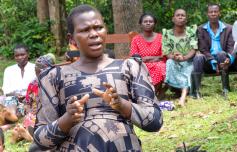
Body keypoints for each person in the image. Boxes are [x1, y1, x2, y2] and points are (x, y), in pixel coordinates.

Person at [33, 5, 163, 151]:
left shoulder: (130, 68)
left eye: (98, 27)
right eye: (85, 30)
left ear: (105, 30)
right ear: (72, 39)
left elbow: (155, 121)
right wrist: (67, 119)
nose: (94, 34)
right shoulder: (53, 77)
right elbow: (40, 140)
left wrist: (122, 105)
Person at [192, 3, 234, 99]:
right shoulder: (201, 29)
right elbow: (202, 49)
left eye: (215, 12)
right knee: (198, 57)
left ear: (219, 13)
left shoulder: (228, 28)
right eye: (211, 12)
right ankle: (197, 91)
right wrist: (212, 60)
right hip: (208, 61)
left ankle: (225, 88)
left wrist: (229, 58)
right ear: (207, 14)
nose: (213, 14)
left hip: (223, 60)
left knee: (221, 54)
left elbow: (231, 47)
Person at [162, 9, 197, 106]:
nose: (180, 17)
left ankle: (183, 96)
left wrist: (184, 58)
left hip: (188, 60)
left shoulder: (191, 31)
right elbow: (166, 51)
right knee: (169, 62)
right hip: (174, 60)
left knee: (188, 69)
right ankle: (178, 91)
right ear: (173, 19)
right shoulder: (167, 33)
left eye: (183, 15)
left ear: (186, 19)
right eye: (178, 15)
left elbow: (194, 48)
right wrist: (174, 57)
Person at [130, 12, 166, 98]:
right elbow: (134, 56)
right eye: (145, 21)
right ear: (140, 24)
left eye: (151, 21)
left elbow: (164, 55)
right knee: (136, 68)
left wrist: (148, 58)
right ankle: (147, 93)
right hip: (141, 64)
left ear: (155, 24)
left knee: (160, 67)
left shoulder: (161, 38)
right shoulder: (136, 39)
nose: (148, 23)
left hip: (159, 64)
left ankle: (155, 93)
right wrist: (152, 59)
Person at [1, 44, 36, 116]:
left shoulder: (35, 68)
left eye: (22, 54)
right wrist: (15, 95)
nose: (20, 57)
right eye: (17, 55)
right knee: (8, 100)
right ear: (14, 57)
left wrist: (27, 96)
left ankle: (13, 115)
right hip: (13, 99)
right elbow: (6, 90)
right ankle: (13, 114)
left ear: (28, 55)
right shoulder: (9, 70)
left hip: (30, 99)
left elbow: (38, 88)